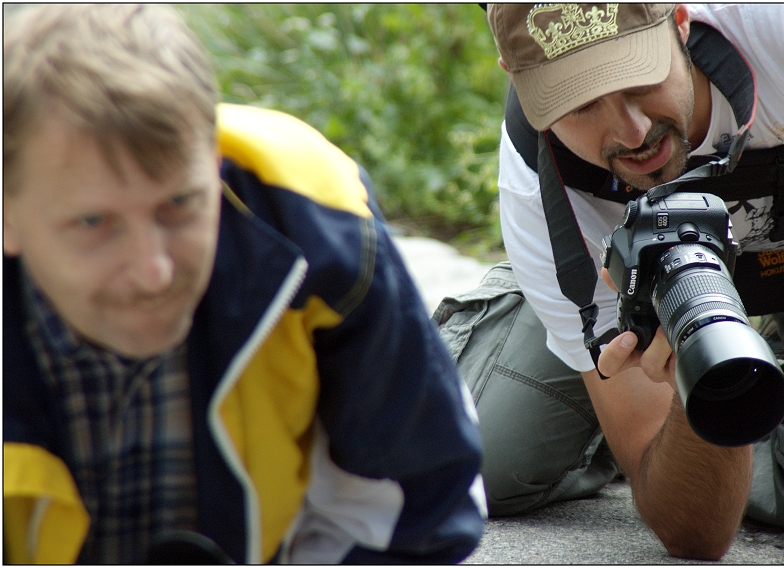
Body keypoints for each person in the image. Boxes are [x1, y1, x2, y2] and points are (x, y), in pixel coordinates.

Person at [434, 3, 784, 560]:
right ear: (521, 83)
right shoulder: (542, 183)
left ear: (680, 22)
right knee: (476, 460)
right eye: (581, 105)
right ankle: (662, 378)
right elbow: (694, 534)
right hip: (655, 274)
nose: (631, 133)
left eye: (639, 80)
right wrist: (705, 385)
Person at [3, 4, 485, 564]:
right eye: (93, 223)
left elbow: (422, 510)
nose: (153, 270)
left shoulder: (320, 229)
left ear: (214, 164)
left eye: (179, 204)